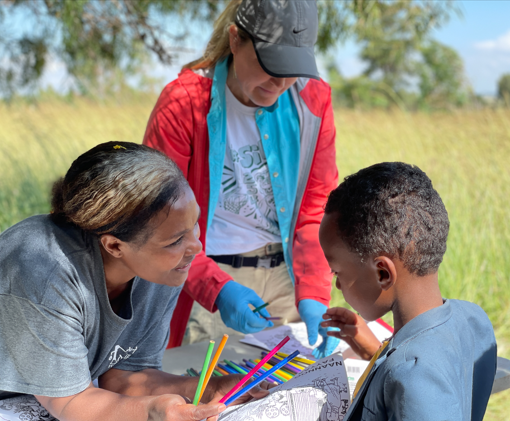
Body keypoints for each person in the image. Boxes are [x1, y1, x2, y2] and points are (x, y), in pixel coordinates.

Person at [0, 142, 267, 421]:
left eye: (194, 224)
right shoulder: (44, 269)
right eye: (176, 239)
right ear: (115, 246)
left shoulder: (161, 265)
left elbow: (126, 376)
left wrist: (209, 388)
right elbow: (71, 404)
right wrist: (153, 411)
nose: (196, 247)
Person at [143, 0, 339, 358]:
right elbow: (159, 218)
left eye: (292, 69)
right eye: (271, 65)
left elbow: (316, 206)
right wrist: (218, 290)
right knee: (211, 402)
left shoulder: (313, 100)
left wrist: (313, 293)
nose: (280, 83)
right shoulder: (183, 104)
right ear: (236, 40)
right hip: (208, 279)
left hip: (288, 278)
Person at [318, 162, 497, 420]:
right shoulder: (473, 319)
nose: (337, 285)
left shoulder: (413, 378)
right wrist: (374, 351)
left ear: (382, 273)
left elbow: (415, 379)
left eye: (337, 272)